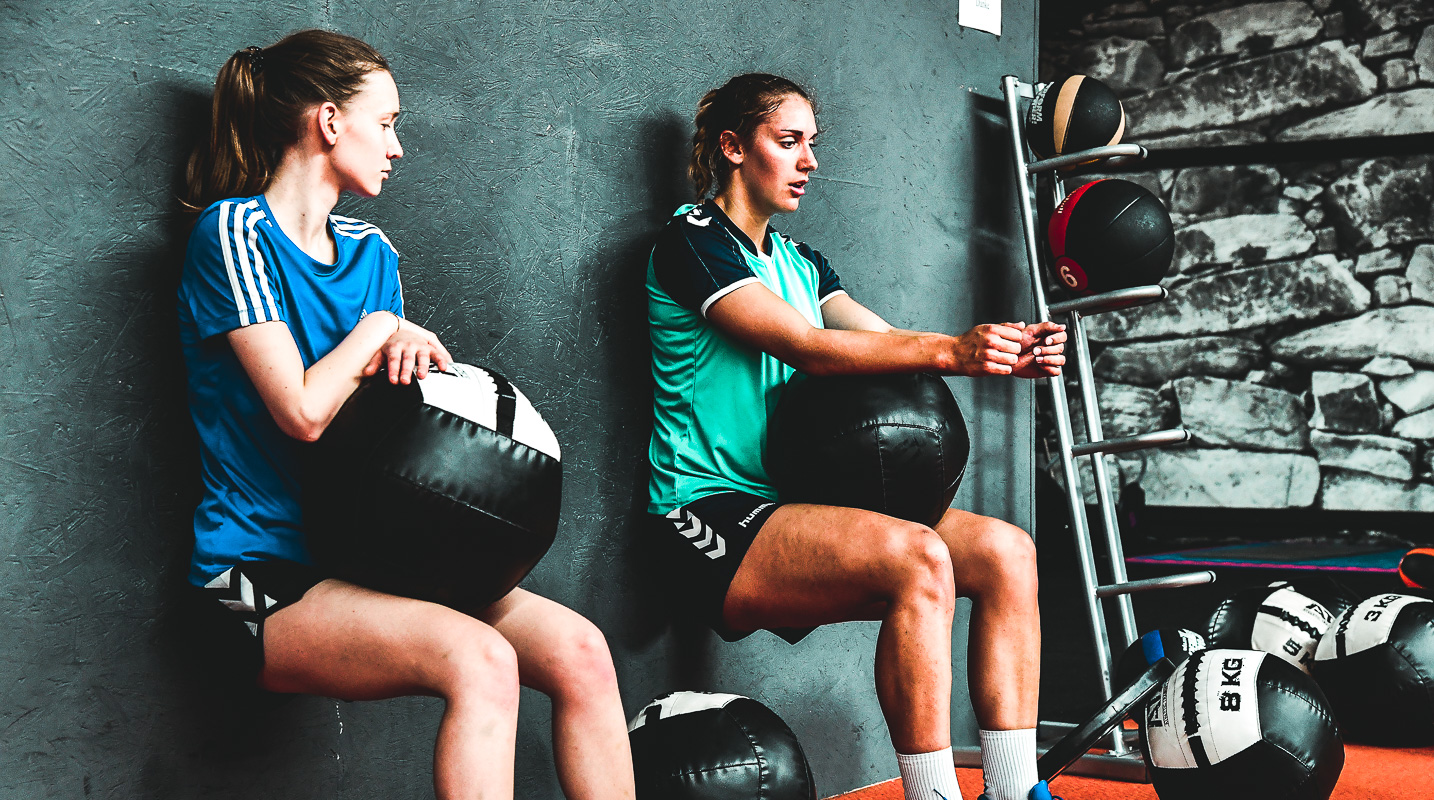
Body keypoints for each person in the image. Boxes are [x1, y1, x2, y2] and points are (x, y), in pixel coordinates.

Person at [178, 30, 634, 800]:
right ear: (329, 122)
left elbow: (384, 427)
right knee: (481, 660)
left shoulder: (372, 254)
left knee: (580, 650)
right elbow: (301, 413)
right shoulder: (233, 233)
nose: (397, 145)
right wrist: (379, 331)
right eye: (385, 122)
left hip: (369, 553)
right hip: (255, 571)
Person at [644, 74, 1067, 800]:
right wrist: (951, 350)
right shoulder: (694, 244)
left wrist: (1001, 352)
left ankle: (1013, 790)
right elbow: (807, 346)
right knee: (917, 559)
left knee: (1007, 553)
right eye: (788, 142)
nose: (808, 160)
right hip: (704, 514)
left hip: (790, 503)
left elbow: (884, 342)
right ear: (732, 147)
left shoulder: (803, 263)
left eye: (812, 143)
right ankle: (933, 796)